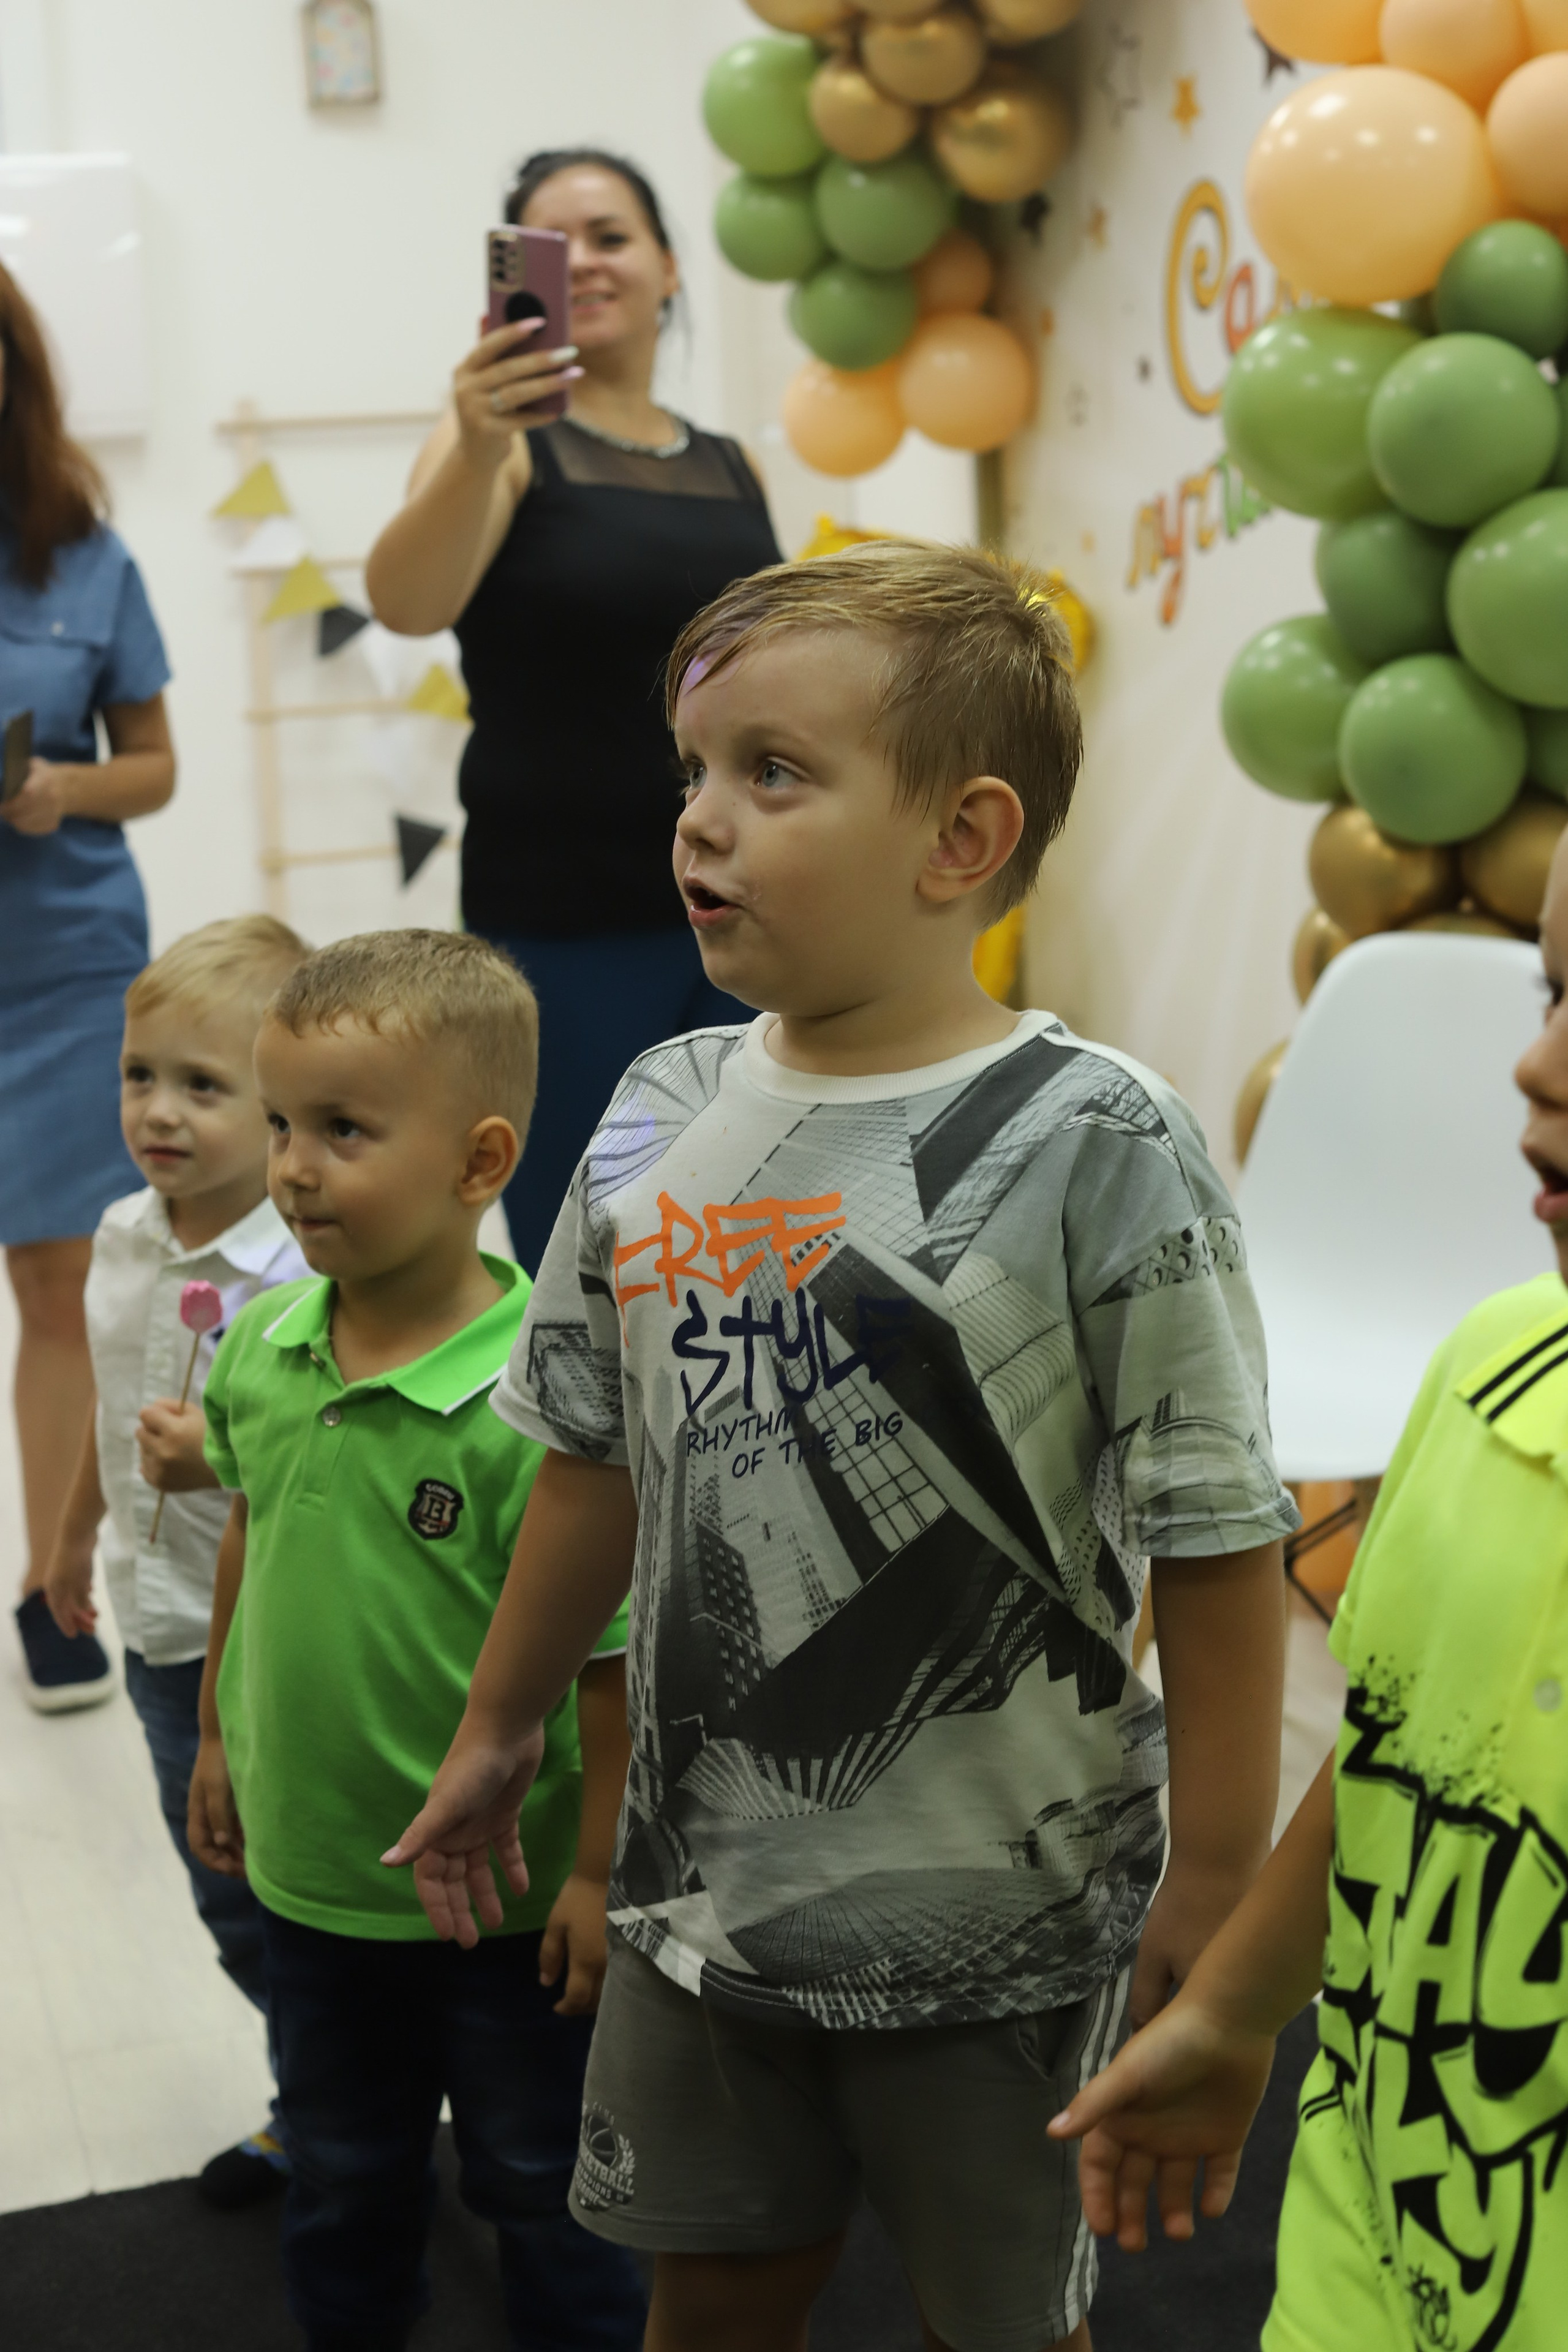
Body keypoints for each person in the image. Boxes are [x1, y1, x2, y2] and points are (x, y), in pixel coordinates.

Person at [384, 544, 1299, 2352]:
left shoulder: (1098, 1139)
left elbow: (1216, 1533)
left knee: (1003, 2317)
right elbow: (589, 1460)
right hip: (701, 1898)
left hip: (1007, 1919)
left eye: (772, 775)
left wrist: (1217, 1874)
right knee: (714, 2294)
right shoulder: (654, 1112)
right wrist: (502, 1724)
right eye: (694, 775)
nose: (699, 826)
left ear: (960, 840)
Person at [1047, 842, 1568, 2350]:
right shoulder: (1487, 1370)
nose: (1532, 1063)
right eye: (1547, 989)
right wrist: (1231, 2007)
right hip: (1358, 2272)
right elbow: (1402, 1747)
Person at [187, 930, 645, 2352]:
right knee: (342, 2175)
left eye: (341, 1129)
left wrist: (593, 1874)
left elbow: (609, 1663)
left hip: (506, 1913)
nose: (292, 1166)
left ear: (478, 1159)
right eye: (277, 1124)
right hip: (317, 1883)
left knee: (540, 2191)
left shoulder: (544, 1400)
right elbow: (251, 1545)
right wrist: (213, 1735)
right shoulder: (262, 1347)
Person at [364, 148, 782, 1273]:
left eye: (610, 236)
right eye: (553, 246)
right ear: (513, 281)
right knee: (595, 1255)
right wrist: (481, 436)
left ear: (669, 270)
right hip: (564, 923)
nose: (587, 264)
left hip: (742, 913)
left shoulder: (733, 466)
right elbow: (405, 602)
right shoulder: (495, 447)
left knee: (751, 1243)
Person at [42, 914, 311, 2205]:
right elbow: (110, 1402)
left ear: (283, 1109)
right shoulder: (120, 1233)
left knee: (290, 1893)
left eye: (202, 1086)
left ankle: (339, 2106)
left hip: (268, 1639)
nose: (158, 1110)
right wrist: (65, 1539)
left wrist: (237, 1444)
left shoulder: (302, 1273)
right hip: (157, 1630)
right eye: (139, 1075)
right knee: (226, 1899)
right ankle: (318, 2092)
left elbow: (326, 1482)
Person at [0, 258, 178, 1710]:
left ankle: (55, 1589)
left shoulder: (85, 555)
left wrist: (65, 786)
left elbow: (156, 765)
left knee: (55, 1280)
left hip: (60, 961)